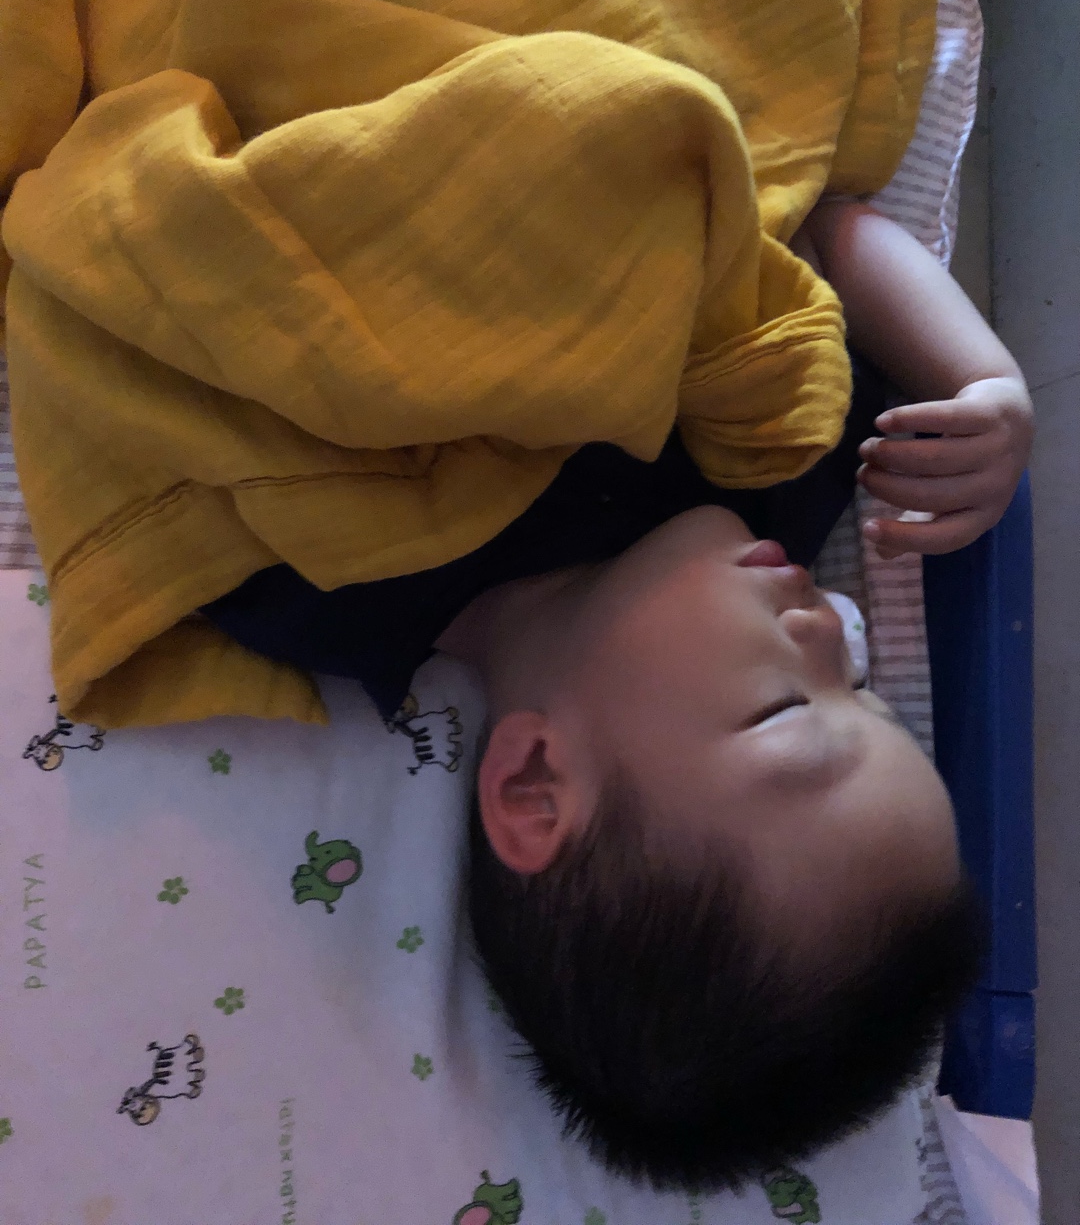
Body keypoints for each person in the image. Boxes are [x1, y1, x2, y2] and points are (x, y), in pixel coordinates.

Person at [204, 199, 1033, 1190]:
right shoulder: (773, 451)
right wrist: (981, 378)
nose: (826, 626)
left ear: (535, 786)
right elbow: (832, 225)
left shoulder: (309, 578)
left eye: (785, 708)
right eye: (859, 684)